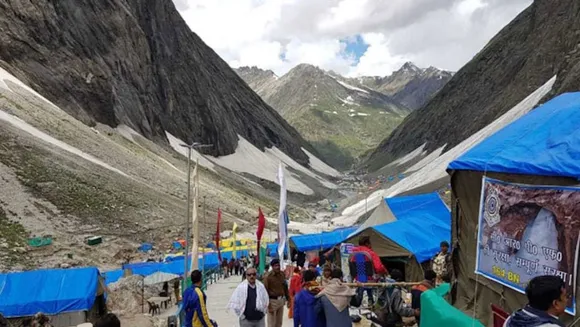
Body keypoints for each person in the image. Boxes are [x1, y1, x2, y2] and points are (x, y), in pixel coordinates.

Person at [263, 259, 290, 327]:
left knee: (279, 323)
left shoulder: (282, 274)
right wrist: (268, 305)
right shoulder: (268, 277)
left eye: (278, 265)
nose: (277, 267)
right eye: (275, 266)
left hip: (281, 301)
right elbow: (265, 291)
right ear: (272, 267)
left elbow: (285, 287)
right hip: (272, 302)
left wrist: (288, 299)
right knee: (271, 324)